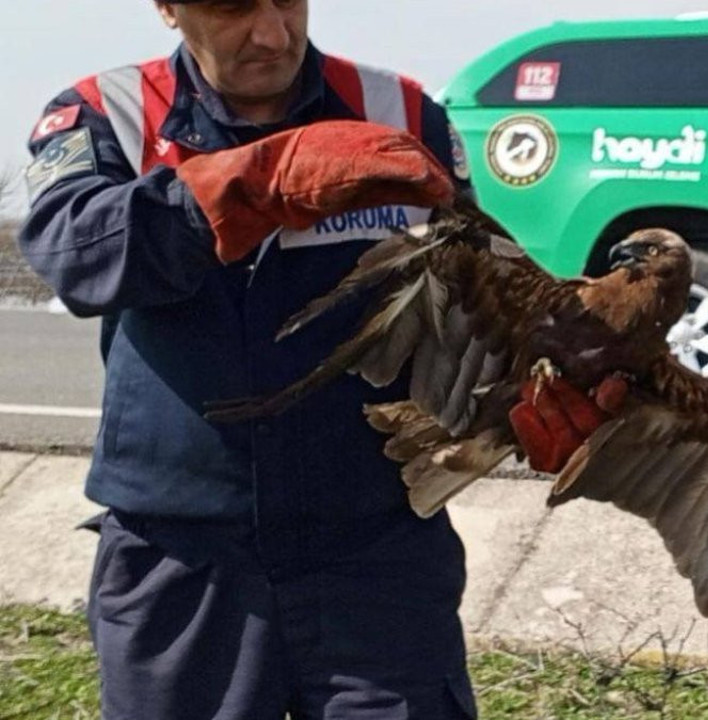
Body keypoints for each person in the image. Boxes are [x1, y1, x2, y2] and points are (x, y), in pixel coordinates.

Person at [18, 1, 606, 717]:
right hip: (185, 560)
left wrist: (530, 387)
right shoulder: (106, 114)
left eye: (287, 1)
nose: (271, 34)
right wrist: (254, 184)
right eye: (233, 7)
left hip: (374, 559)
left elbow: (472, 291)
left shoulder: (402, 112)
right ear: (168, 7)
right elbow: (77, 255)